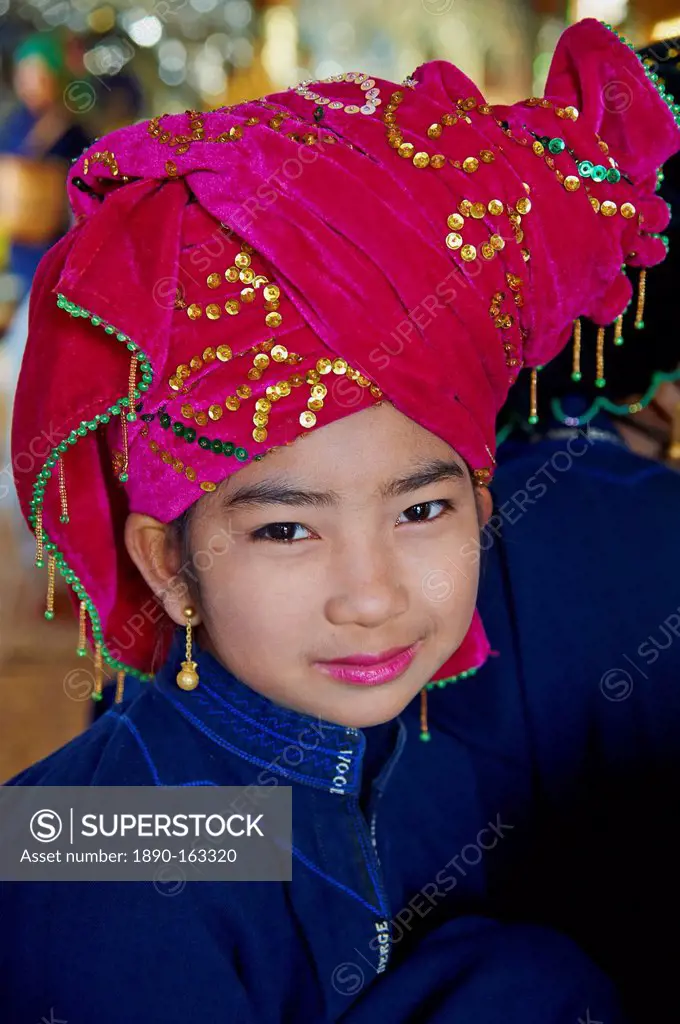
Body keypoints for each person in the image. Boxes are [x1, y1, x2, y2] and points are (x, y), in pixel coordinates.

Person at [1, 18, 676, 1023]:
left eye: (422, 508)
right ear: (169, 563)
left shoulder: (422, 740)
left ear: (481, 506)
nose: (371, 596)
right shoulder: (100, 840)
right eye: (285, 528)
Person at [0, 32, 91, 301]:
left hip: (56, 246)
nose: (31, 84)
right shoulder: (15, 124)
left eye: (39, 75)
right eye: (25, 75)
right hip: (19, 243)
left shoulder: (73, 132)